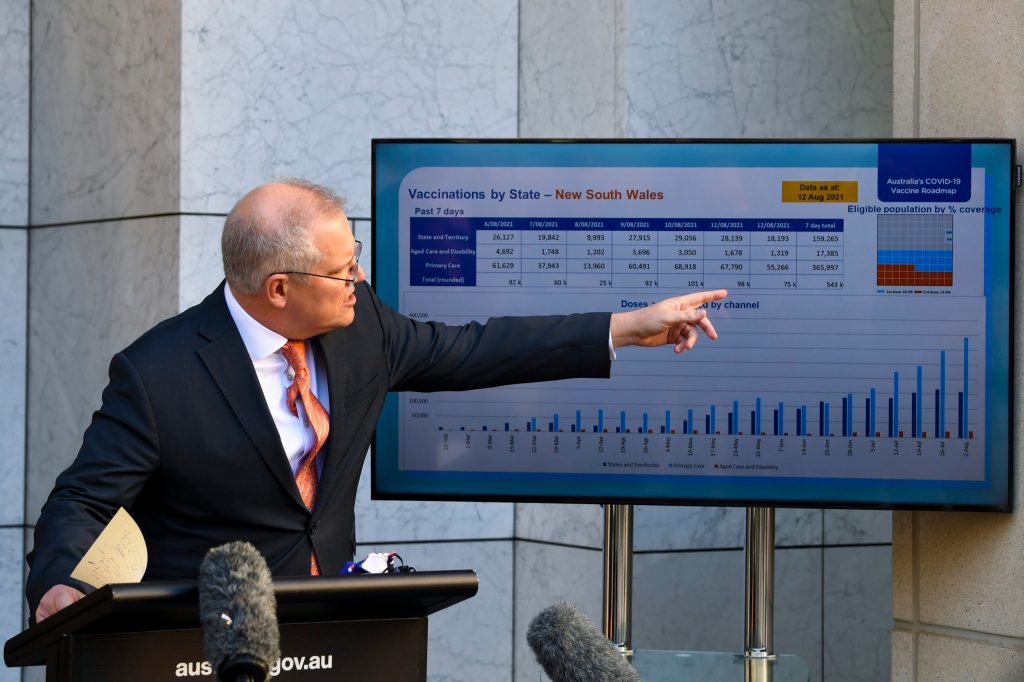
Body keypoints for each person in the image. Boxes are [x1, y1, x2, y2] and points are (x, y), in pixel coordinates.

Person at [28, 179, 727, 623]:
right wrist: (57, 585)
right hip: (208, 646)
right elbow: (82, 500)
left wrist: (623, 328)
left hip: (334, 629)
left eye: (354, 256)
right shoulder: (159, 374)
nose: (358, 279)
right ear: (278, 288)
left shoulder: (364, 330)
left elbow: (476, 349)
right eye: (342, 270)